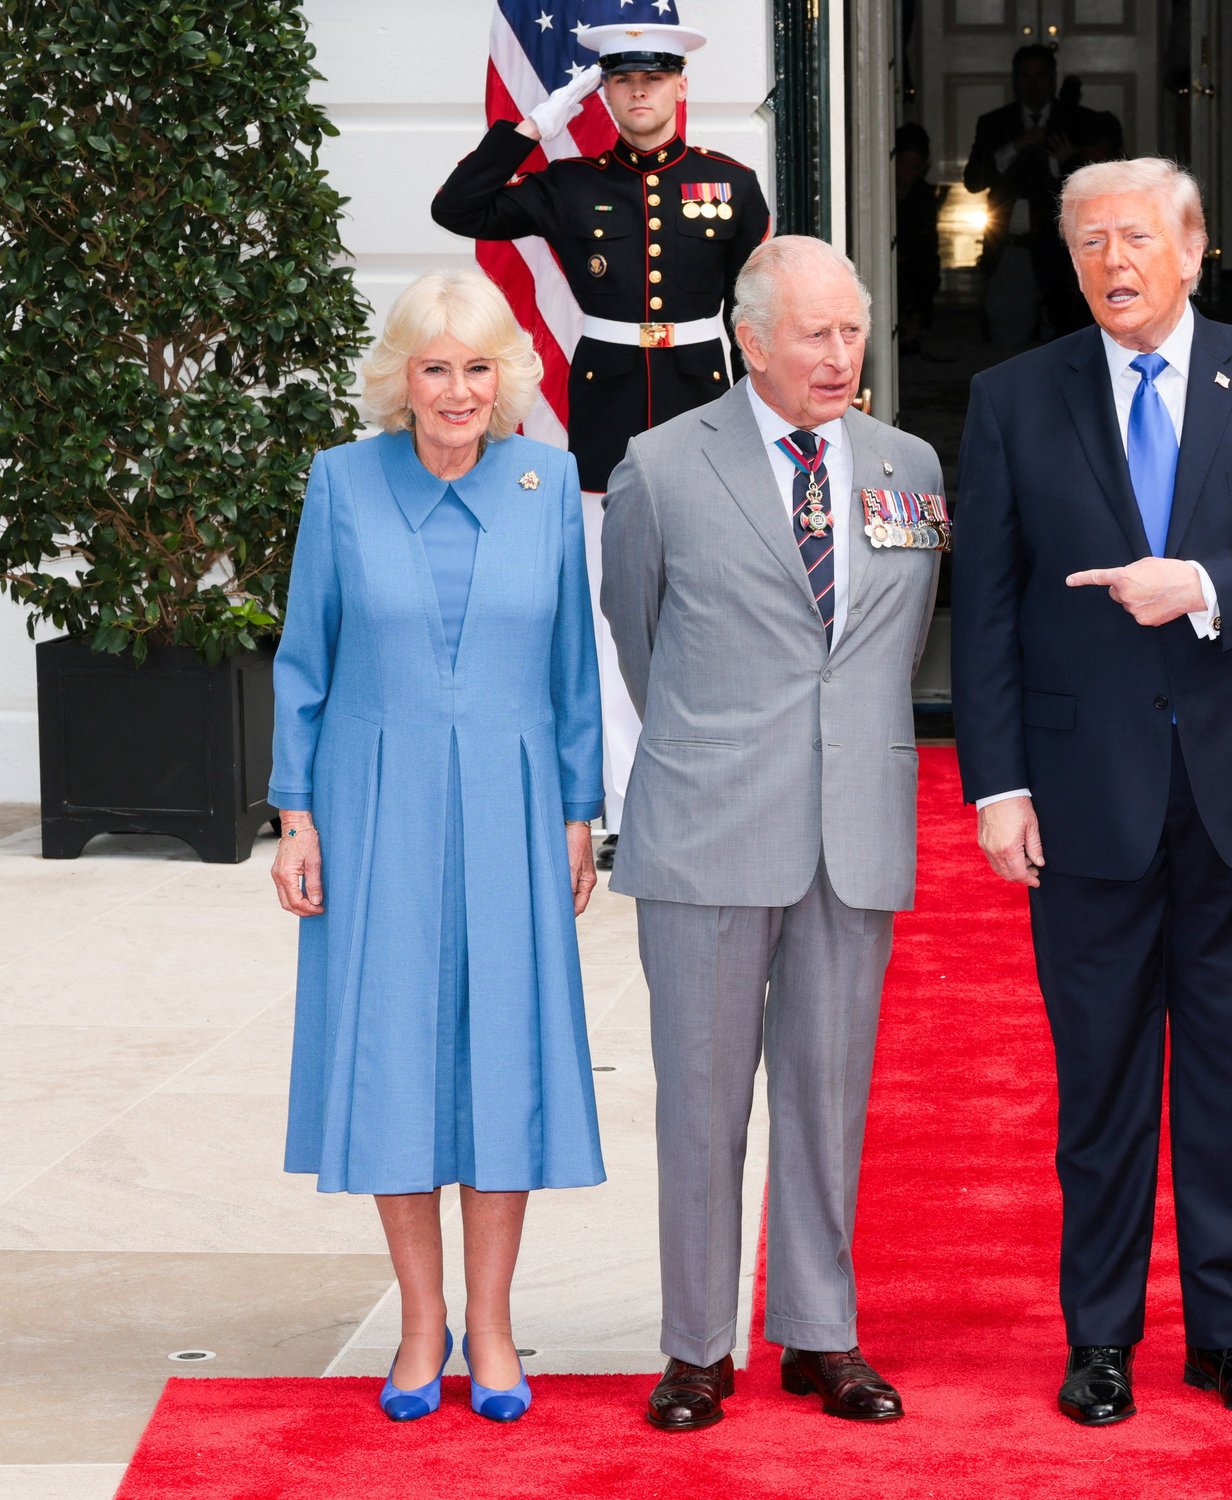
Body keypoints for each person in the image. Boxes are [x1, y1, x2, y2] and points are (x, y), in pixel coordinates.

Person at [951, 158, 1232, 1427]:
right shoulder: (1013, 398)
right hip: (1082, 794)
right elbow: (981, 613)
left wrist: (1202, 584)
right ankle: (1100, 1341)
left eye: (1134, 237)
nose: (1110, 263)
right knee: (1101, 1082)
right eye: (1087, 243)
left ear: (1193, 249)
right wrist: (996, 787)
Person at [599, 236, 944, 1433]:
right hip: (706, 825)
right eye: (814, 333)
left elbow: (890, 646)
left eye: (852, 331)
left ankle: (820, 1333)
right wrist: (715, 748)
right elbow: (636, 637)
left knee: (827, 1092)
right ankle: (696, 1346)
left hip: (853, 829)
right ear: (748, 338)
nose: (839, 355)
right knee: (700, 1099)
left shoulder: (907, 465)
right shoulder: (657, 467)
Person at [269, 269, 606, 1425]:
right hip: (374, 807)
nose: (458, 391)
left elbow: (573, 670)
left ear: (505, 378)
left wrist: (578, 813)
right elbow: (302, 660)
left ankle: (496, 1327)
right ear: (398, 380)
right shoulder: (340, 484)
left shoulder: (546, 477)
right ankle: (422, 1325)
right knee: (398, 1058)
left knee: (501, 1058)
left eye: (477, 368)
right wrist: (294, 815)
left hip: (516, 809)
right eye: (434, 367)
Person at [432, 0, 772, 869]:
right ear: (606, 93)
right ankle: (625, 803)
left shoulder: (730, 183)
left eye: (653, 77)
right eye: (622, 80)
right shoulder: (570, 183)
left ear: (679, 84)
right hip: (608, 420)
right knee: (609, 611)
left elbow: (759, 314)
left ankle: (714, 788)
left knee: (716, 609)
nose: (639, 93)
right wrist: (535, 122)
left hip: (705, 411)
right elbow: (458, 206)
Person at [963, 45, 1125, 349]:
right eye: (1025, 76)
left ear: (1053, 78)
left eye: (1040, 76)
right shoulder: (995, 123)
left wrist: (1067, 159)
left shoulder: (1079, 120)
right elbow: (974, 181)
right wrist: (1017, 145)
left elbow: (1104, 178)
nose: (1033, 85)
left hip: (1063, 248)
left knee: (1070, 336)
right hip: (1012, 244)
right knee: (1007, 336)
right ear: (1015, 80)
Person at [893, 123, 942, 354]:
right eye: (903, 165)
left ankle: (914, 324)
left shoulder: (923, 196)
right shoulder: (877, 190)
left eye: (915, 167)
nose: (907, 173)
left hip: (913, 261)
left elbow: (926, 240)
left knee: (926, 269)